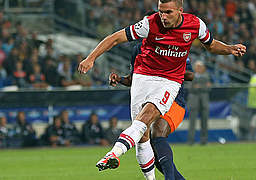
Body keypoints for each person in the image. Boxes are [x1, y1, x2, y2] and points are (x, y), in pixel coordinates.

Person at [78, 0, 246, 179]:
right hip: (143, 77)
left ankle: (114, 153)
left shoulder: (195, 25)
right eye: (160, 12)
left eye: (168, 12)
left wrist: (229, 48)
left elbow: (211, 45)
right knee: (142, 137)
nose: (163, 17)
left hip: (170, 81)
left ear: (180, 11)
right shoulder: (149, 24)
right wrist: (91, 58)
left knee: (147, 119)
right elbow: (116, 37)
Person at [109, 40, 194, 179]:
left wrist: (165, 69)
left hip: (173, 100)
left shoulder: (173, 46)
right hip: (150, 103)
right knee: (152, 151)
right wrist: (119, 79)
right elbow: (133, 79)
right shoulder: (138, 49)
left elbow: (190, 75)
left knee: (157, 133)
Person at [187, 61, 211, 145]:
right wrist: (202, 86)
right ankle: (191, 140)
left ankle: (204, 140)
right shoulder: (190, 76)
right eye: (198, 66)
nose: (199, 68)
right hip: (194, 102)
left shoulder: (207, 76)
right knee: (192, 123)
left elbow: (209, 88)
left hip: (204, 102)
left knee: (204, 122)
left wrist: (198, 87)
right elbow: (190, 88)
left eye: (201, 67)